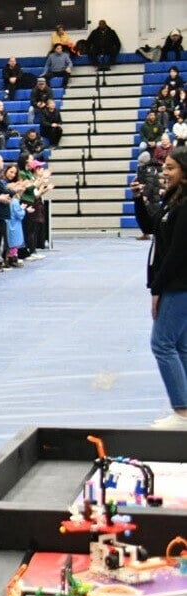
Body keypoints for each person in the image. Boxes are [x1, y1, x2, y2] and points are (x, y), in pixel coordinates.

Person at [131, 147, 187, 430]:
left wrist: (157, 289)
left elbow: (177, 254)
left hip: (179, 284)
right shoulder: (173, 201)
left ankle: (181, 412)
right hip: (175, 284)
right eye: (164, 167)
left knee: (162, 344)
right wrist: (139, 199)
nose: (164, 173)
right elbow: (151, 224)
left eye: (171, 168)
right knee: (180, 346)